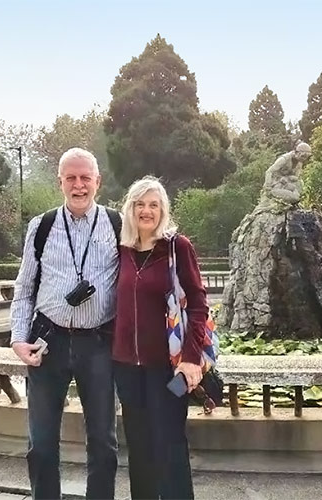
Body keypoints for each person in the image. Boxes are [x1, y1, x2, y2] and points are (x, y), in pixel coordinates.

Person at [10, 147, 119, 500]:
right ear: (60, 182)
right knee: (40, 444)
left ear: (97, 182)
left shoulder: (118, 224)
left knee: (103, 443)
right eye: (70, 178)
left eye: (85, 177)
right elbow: (24, 288)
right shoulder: (40, 227)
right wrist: (17, 339)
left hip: (99, 343)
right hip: (48, 340)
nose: (78, 185)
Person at [111, 176, 209, 499]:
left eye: (153, 205)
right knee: (138, 451)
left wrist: (192, 359)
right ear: (130, 209)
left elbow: (198, 305)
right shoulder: (121, 249)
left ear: (163, 210)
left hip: (166, 368)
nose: (146, 211)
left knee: (169, 448)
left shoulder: (177, 247)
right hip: (127, 367)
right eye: (140, 204)